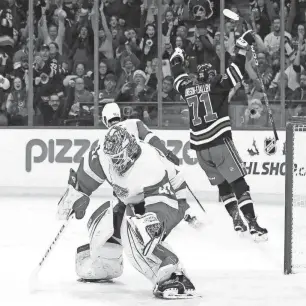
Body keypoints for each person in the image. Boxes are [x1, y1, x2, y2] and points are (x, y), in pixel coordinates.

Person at [57, 125, 197, 299]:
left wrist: (155, 223)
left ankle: (173, 274)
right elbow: (85, 176)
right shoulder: (103, 153)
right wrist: (76, 194)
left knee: (139, 231)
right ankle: (107, 263)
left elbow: (164, 204)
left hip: (170, 198)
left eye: (117, 157)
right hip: (135, 198)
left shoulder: (149, 165)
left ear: (129, 150)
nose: (114, 163)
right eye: (111, 158)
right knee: (104, 220)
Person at [169, 30, 268, 241]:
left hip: (200, 151)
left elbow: (177, 73)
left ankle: (236, 219)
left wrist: (177, 55)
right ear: (212, 75)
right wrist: (241, 48)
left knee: (223, 185)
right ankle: (252, 223)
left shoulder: (188, 88)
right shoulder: (217, 84)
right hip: (219, 143)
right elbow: (236, 70)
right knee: (239, 182)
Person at [101, 102, 201, 227]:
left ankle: (134, 217)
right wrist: (167, 154)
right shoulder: (133, 123)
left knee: (128, 196)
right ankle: (187, 214)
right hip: (150, 168)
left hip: (131, 181)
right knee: (170, 182)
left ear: (105, 119)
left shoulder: (105, 138)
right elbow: (152, 139)